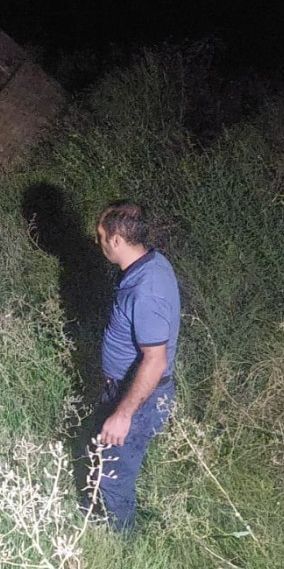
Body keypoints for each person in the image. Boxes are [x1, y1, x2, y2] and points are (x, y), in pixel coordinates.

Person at [84, 201, 180, 532]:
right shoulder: (150, 263)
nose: (97, 241)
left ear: (116, 240)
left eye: (100, 235)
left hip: (140, 397)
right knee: (99, 453)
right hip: (123, 388)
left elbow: (155, 360)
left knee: (112, 476)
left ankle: (122, 544)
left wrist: (123, 414)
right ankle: (99, 517)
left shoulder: (145, 291)